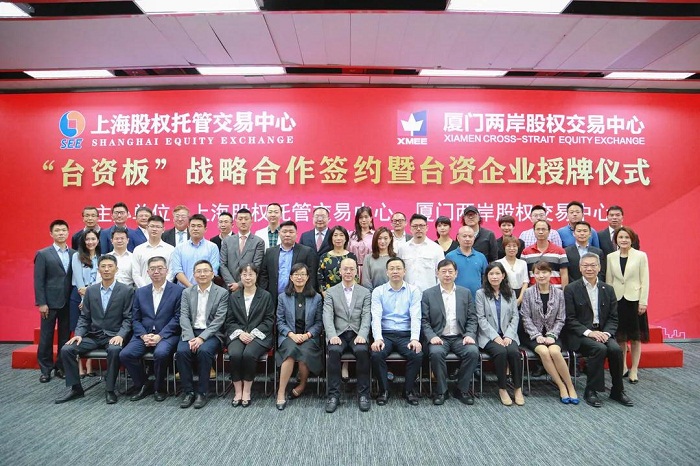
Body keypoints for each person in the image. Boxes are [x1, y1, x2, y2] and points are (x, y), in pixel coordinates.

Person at [55, 254, 134, 405]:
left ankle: (110, 390)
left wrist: (121, 335)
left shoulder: (126, 290)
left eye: (110, 266)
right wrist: (78, 334)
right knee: (67, 349)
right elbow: (84, 317)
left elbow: (128, 318)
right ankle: (76, 388)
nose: (106, 269)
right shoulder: (91, 291)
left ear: (116, 269)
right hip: (94, 335)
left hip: (114, 335)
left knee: (114, 350)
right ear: (98, 270)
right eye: (103, 266)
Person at [564, 252, 633, 408]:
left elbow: (613, 318)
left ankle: (617, 390)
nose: (589, 269)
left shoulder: (608, 289)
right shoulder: (571, 289)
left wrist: (606, 333)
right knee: (599, 349)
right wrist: (590, 333)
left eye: (593, 265)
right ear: (580, 268)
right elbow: (570, 319)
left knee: (615, 350)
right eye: (585, 265)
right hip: (580, 335)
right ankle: (591, 390)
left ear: (599, 267)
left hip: (603, 333)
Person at [119, 256, 183, 402]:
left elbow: (178, 318)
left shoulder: (178, 291)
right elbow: (135, 319)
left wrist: (160, 336)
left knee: (160, 353)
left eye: (160, 268)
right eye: (152, 269)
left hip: (167, 334)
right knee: (125, 354)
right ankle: (143, 384)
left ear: (167, 270)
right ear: (147, 272)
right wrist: (143, 335)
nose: (156, 272)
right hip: (144, 334)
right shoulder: (140, 292)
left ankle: (159, 388)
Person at [421, 259, 479, 406]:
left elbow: (472, 318)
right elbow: (424, 320)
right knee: (436, 353)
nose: (447, 275)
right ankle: (442, 391)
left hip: (460, 337)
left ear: (456, 273)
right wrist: (432, 336)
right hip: (439, 337)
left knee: (473, 352)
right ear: (437, 273)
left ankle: (462, 389)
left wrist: (469, 334)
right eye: (443, 271)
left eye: (450, 271)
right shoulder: (428, 294)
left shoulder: (465, 293)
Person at [520, 261, 578, 404]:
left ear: (550, 274)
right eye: (537, 273)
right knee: (544, 352)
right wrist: (537, 335)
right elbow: (525, 317)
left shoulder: (559, 293)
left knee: (555, 351)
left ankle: (570, 386)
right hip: (532, 335)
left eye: (544, 272)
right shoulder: (528, 293)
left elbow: (561, 318)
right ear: (533, 275)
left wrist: (552, 335)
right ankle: (561, 386)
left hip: (554, 333)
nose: (541, 275)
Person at [370, 257, 423, 406]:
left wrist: (415, 339)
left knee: (417, 354)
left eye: (398, 268)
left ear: (404, 271)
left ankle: (408, 390)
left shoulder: (413, 291)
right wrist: (378, 338)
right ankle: (384, 390)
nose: (395, 271)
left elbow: (416, 316)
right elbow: (376, 317)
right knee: (376, 354)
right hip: (385, 334)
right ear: (387, 272)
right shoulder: (378, 291)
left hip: (405, 334)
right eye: (392, 269)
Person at [176, 260, 228, 409]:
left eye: (206, 271)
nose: (202, 274)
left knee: (204, 351)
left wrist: (201, 338)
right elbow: (184, 316)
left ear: (212, 274)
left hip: (212, 333)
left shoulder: (222, 293)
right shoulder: (187, 292)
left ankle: (202, 392)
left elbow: (219, 320)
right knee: (182, 352)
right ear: (194, 275)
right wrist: (191, 337)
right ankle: (188, 392)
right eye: (198, 271)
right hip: (190, 332)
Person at [323, 258, 372, 413]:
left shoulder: (365, 292)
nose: (348, 272)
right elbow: (327, 316)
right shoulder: (331, 292)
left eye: (352, 269)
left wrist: (363, 334)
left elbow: (366, 316)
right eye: (345, 269)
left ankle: (363, 394)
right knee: (334, 351)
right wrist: (332, 335)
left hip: (358, 333)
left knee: (362, 351)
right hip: (339, 333)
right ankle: (333, 395)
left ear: (357, 271)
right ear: (340, 271)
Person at [225, 264, 274, 407]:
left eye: (251, 274)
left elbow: (269, 320)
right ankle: (237, 391)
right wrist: (240, 333)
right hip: (238, 334)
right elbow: (229, 320)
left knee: (249, 354)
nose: (248, 278)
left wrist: (252, 334)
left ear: (256, 276)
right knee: (235, 354)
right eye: (244, 275)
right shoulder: (234, 296)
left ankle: (246, 391)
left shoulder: (265, 296)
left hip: (259, 335)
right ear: (240, 277)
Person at [275, 263, 323, 410]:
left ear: (308, 277)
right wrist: (291, 334)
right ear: (291, 277)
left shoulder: (316, 298)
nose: (299, 277)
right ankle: (281, 392)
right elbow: (280, 321)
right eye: (296, 274)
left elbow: (319, 322)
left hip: (309, 337)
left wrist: (307, 335)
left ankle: (302, 385)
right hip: (289, 336)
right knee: (290, 353)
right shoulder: (283, 297)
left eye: (303, 274)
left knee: (304, 353)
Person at [476, 262, 523, 406]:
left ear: (503, 276)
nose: (494, 277)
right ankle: (502, 388)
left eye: (497, 273)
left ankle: (517, 388)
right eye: (491, 274)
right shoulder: (480, 293)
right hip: (489, 336)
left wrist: (508, 335)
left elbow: (515, 316)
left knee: (514, 353)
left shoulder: (510, 292)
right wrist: (495, 337)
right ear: (487, 276)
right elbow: (481, 318)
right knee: (501, 352)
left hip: (508, 334)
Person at [606, 226, 649, 384]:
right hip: (618, 301)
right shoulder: (611, 257)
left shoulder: (640, 256)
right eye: (620, 237)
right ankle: (623, 366)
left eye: (626, 237)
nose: (623, 240)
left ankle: (634, 369)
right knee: (621, 337)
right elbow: (609, 281)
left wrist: (643, 301)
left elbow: (645, 280)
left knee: (635, 338)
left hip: (634, 301)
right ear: (616, 240)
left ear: (632, 240)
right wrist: (609, 303)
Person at [34, 219, 74, 383]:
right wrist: (41, 303)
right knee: (46, 336)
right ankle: (45, 370)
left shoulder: (74, 254)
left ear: (68, 232)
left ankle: (61, 367)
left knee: (65, 337)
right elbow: (38, 280)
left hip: (68, 302)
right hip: (49, 303)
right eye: (57, 230)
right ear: (51, 233)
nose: (61, 233)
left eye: (63, 230)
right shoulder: (43, 254)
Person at [259, 220, 319, 308]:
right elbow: (264, 275)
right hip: (273, 297)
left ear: (296, 234)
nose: (287, 235)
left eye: (291, 232)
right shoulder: (270, 252)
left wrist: (308, 295)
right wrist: (264, 294)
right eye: (284, 232)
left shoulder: (306, 252)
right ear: (279, 233)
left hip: (299, 297)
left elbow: (312, 276)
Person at [220, 208, 265, 293]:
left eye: (246, 219)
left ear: (251, 221)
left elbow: (256, 266)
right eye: (240, 219)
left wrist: (240, 284)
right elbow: (223, 264)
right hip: (229, 288)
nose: (243, 222)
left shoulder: (258, 242)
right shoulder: (227, 241)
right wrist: (231, 283)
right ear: (236, 221)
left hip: (249, 287)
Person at [169, 214, 220, 288]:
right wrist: (191, 288)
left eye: (199, 226)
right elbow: (177, 271)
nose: (195, 229)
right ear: (188, 228)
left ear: (205, 229)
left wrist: (201, 288)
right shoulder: (179, 248)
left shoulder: (212, 247)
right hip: (184, 289)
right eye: (193, 226)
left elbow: (213, 270)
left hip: (206, 289)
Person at [397, 213, 445, 292]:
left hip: (429, 294)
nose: (418, 229)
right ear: (410, 228)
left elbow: (441, 273)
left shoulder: (437, 249)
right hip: (407, 293)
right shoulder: (403, 249)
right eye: (415, 226)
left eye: (421, 226)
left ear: (427, 228)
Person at [521, 220, 569, 288]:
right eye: (538, 229)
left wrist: (564, 292)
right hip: (533, 291)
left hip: (556, 290)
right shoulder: (526, 252)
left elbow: (564, 274)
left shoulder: (560, 251)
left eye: (543, 229)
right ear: (534, 231)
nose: (540, 232)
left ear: (549, 231)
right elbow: (524, 276)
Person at [131, 215, 175, 288]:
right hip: (143, 290)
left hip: (164, 290)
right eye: (152, 226)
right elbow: (136, 273)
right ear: (147, 228)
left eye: (158, 227)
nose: (154, 229)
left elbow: (171, 272)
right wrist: (145, 289)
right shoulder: (138, 250)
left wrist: (162, 287)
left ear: (163, 229)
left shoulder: (170, 249)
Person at [446, 226, 488, 298]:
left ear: (474, 238)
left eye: (470, 236)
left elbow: (486, 277)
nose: (467, 239)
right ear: (458, 238)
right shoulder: (450, 256)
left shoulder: (481, 257)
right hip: (456, 298)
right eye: (464, 236)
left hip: (477, 298)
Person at [317, 225, 357, 294]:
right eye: (335, 235)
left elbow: (355, 277)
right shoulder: (324, 257)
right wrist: (325, 295)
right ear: (331, 238)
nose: (338, 238)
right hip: (329, 295)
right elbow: (320, 278)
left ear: (346, 239)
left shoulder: (351, 256)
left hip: (348, 294)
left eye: (341, 235)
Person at [360, 227, 396, 292]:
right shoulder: (368, 258)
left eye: (385, 238)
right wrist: (375, 294)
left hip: (393, 294)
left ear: (390, 239)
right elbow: (365, 281)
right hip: (373, 295)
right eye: (379, 238)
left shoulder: (395, 258)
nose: (382, 241)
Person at [496, 236, 528, 306]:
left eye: (514, 246)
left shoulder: (523, 263)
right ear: (504, 248)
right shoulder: (498, 263)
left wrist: (520, 299)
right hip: (503, 294)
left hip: (520, 294)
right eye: (508, 246)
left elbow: (525, 282)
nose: (512, 248)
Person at [348, 206, 375, 281]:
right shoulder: (351, 235)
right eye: (361, 217)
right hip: (353, 269)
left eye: (366, 217)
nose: (363, 220)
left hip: (370, 269)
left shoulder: (375, 235)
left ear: (371, 218)